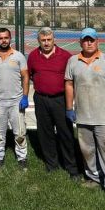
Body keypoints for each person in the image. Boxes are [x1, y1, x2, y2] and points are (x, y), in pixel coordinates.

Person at [65, 27, 105, 204]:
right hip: (83, 117)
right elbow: (69, 85)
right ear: (80, 42)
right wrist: (70, 108)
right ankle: (93, 177)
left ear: (97, 41)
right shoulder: (73, 61)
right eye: (85, 40)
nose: (89, 43)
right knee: (87, 150)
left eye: (92, 40)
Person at [27, 27, 79, 179]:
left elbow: (72, 78)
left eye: (49, 40)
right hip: (41, 99)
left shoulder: (65, 56)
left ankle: (71, 167)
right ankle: (52, 165)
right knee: (45, 133)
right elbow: (30, 75)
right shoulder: (33, 56)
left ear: (54, 40)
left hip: (60, 100)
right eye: (43, 40)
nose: (46, 43)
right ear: (39, 41)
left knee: (66, 133)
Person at [0, 28, 29, 170]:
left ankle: (22, 157)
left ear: (10, 38)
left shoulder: (18, 56)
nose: (3, 40)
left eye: (6, 37)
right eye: (0, 38)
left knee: (20, 132)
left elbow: (25, 77)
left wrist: (25, 96)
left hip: (16, 101)